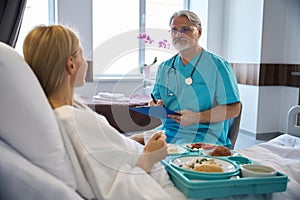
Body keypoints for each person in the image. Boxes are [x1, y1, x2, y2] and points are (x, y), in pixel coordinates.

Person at [23, 25, 186, 200]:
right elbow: (120, 191)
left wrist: (136, 139)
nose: (85, 62)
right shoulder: (74, 121)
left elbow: (104, 147)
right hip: (153, 177)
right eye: (82, 55)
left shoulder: (66, 107)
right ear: (71, 64)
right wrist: (150, 156)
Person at [150, 10, 241, 148]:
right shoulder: (164, 68)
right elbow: (156, 100)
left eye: (185, 29)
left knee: (166, 157)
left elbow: (234, 109)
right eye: (174, 30)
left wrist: (197, 117)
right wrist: (156, 105)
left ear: (199, 32)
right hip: (169, 132)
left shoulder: (218, 66)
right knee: (129, 144)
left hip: (205, 136)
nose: (178, 34)